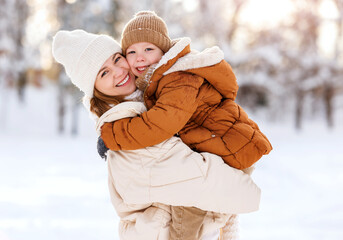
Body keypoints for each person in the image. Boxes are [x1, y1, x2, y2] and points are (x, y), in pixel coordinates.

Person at [52, 29, 261, 240]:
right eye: (103, 73)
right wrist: (244, 181)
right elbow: (210, 184)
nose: (118, 71)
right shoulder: (124, 129)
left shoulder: (153, 102)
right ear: (94, 88)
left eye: (117, 59)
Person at [99, 10, 273, 239]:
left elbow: (161, 123)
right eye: (132, 51)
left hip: (227, 145)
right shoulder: (158, 79)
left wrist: (112, 136)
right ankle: (228, 231)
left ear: (164, 51)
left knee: (185, 203)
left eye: (148, 49)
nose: (139, 57)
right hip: (221, 143)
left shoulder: (178, 78)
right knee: (210, 203)